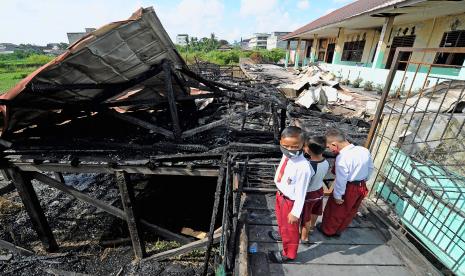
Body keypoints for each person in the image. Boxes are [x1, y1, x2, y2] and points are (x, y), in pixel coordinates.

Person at [318, 128, 374, 237]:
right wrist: (364, 179)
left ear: (334, 144)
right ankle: (339, 230)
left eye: (329, 147)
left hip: (349, 188)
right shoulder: (363, 150)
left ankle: (328, 231)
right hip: (361, 186)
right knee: (351, 210)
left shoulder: (342, 158)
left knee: (336, 210)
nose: (330, 150)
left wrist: (338, 195)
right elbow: (370, 167)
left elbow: (341, 180)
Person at [269, 126, 312, 263]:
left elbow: (301, 192)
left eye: (295, 147)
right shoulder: (286, 154)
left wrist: (295, 212)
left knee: (291, 229)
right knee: (281, 221)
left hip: (291, 202)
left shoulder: (303, 167)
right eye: (285, 145)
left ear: (302, 145)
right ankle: (282, 234)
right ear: (281, 142)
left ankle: (289, 253)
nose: (290, 149)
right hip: (281, 195)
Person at [301, 135, 329, 243]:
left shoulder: (309, 166)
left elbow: (305, 184)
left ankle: (304, 237)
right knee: (315, 212)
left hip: (309, 194)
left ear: (308, 150)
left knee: (306, 217)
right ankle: (312, 228)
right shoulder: (325, 162)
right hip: (319, 191)